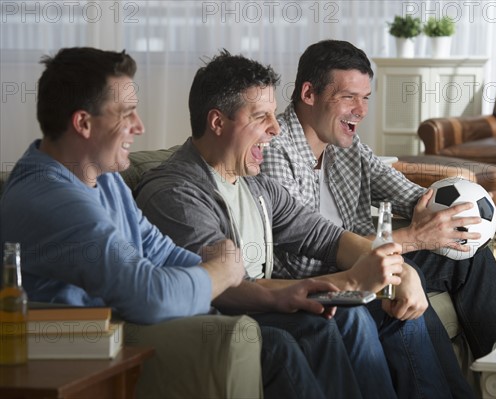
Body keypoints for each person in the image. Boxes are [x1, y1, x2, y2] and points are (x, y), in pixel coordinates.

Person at [0, 46, 365, 399]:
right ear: (82, 123)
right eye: (126, 113)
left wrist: (274, 293)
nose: (139, 126)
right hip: (78, 345)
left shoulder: (102, 178)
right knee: (273, 346)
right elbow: (150, 293)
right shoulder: (52, 200)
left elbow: (161, 252)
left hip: (116, 326)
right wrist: (221, 271)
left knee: (314, 325)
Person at [134, 49, 460, 398]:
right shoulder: (177, 194)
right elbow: (222, 290)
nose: (275, 129)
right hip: (218, 318)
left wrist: (399, 269)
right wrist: (350, 279)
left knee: (357, 311)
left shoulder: (255, 185)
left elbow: (328, 237)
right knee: (329, 320)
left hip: (258, 301)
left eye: (273, 116)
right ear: (217, 122)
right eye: (261, 117)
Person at [261, 39, 496, 395]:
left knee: (467, 255)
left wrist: (469, 213)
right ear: (309, 94)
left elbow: (414, 196)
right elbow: (303, 261)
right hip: (328, 281)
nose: (361, 110)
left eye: (366, 98)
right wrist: (411, 243)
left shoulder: (347, 147)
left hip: (370, 263)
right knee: (401, 305)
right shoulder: (276, 150)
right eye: (349, 97)